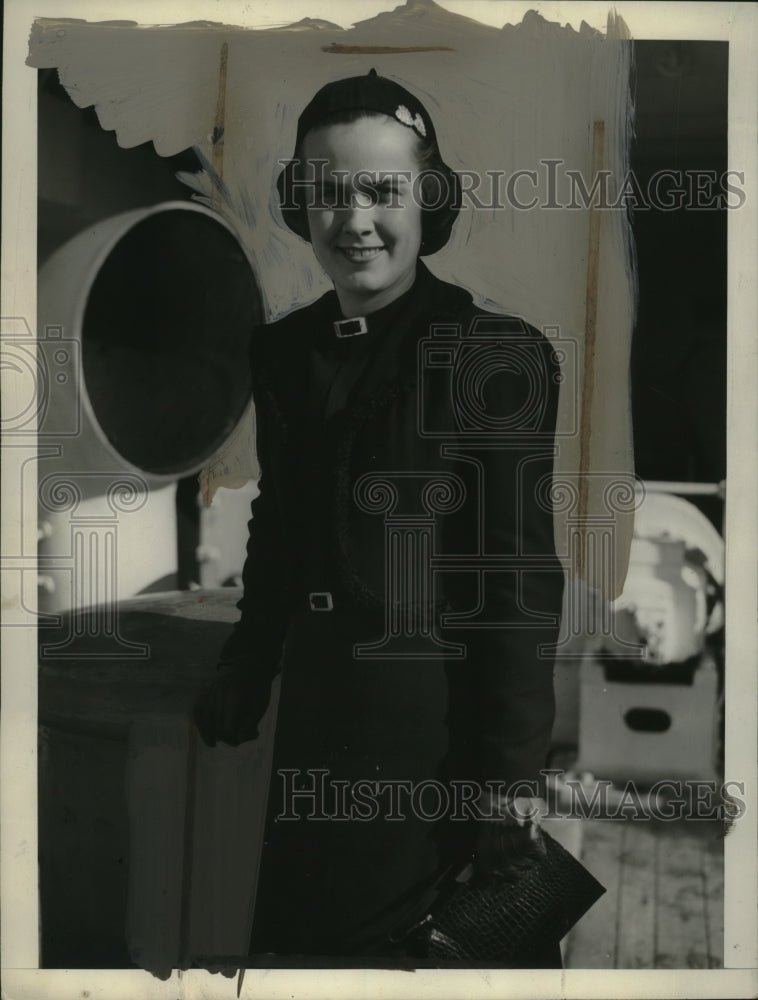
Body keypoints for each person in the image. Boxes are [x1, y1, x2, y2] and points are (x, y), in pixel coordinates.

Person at [194, 69, 565, 967]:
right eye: (327, 191)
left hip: (430, 732)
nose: (353, 218)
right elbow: (280, 530)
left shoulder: (495, 357)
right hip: (315, 722)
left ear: (426, 200)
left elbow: (513, 589)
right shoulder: (282, 353)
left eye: (381, 190)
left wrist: (509, 783)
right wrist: (248, 664)